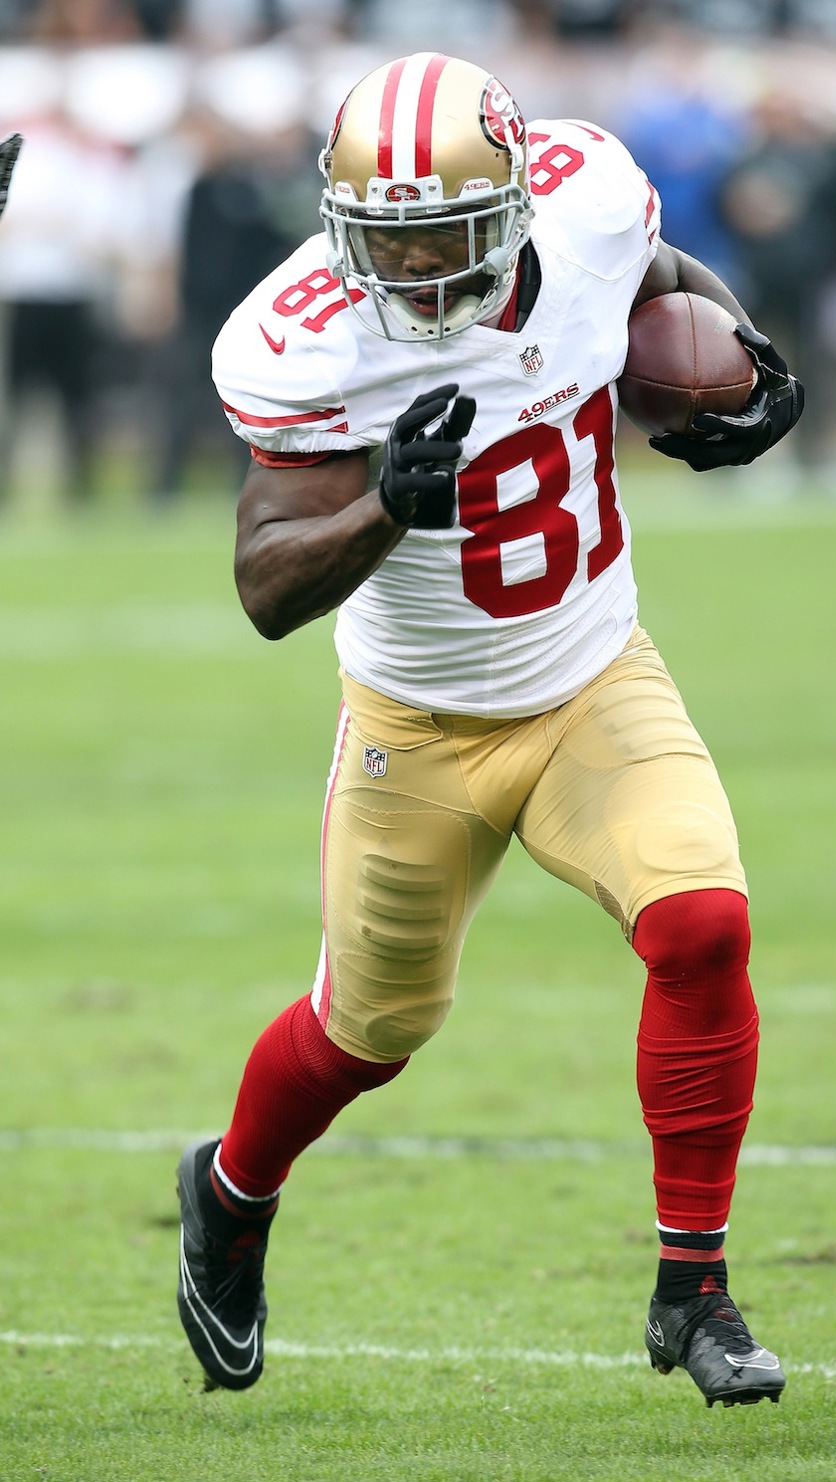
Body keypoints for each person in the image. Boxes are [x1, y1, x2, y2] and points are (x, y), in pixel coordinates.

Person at [176, 52, 803, 1409]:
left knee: (703, 924)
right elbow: (266, 585)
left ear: (519, 201)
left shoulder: (586, 206)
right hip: (420, 723)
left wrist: (746, 370)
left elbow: (663, 284)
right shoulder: (306, 335)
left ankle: (692, 1291)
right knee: (367, 1033)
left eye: (437, 229)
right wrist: (383, 508)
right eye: (379, 231)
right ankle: (229, 1195)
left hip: (592, 673)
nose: (405, 260)